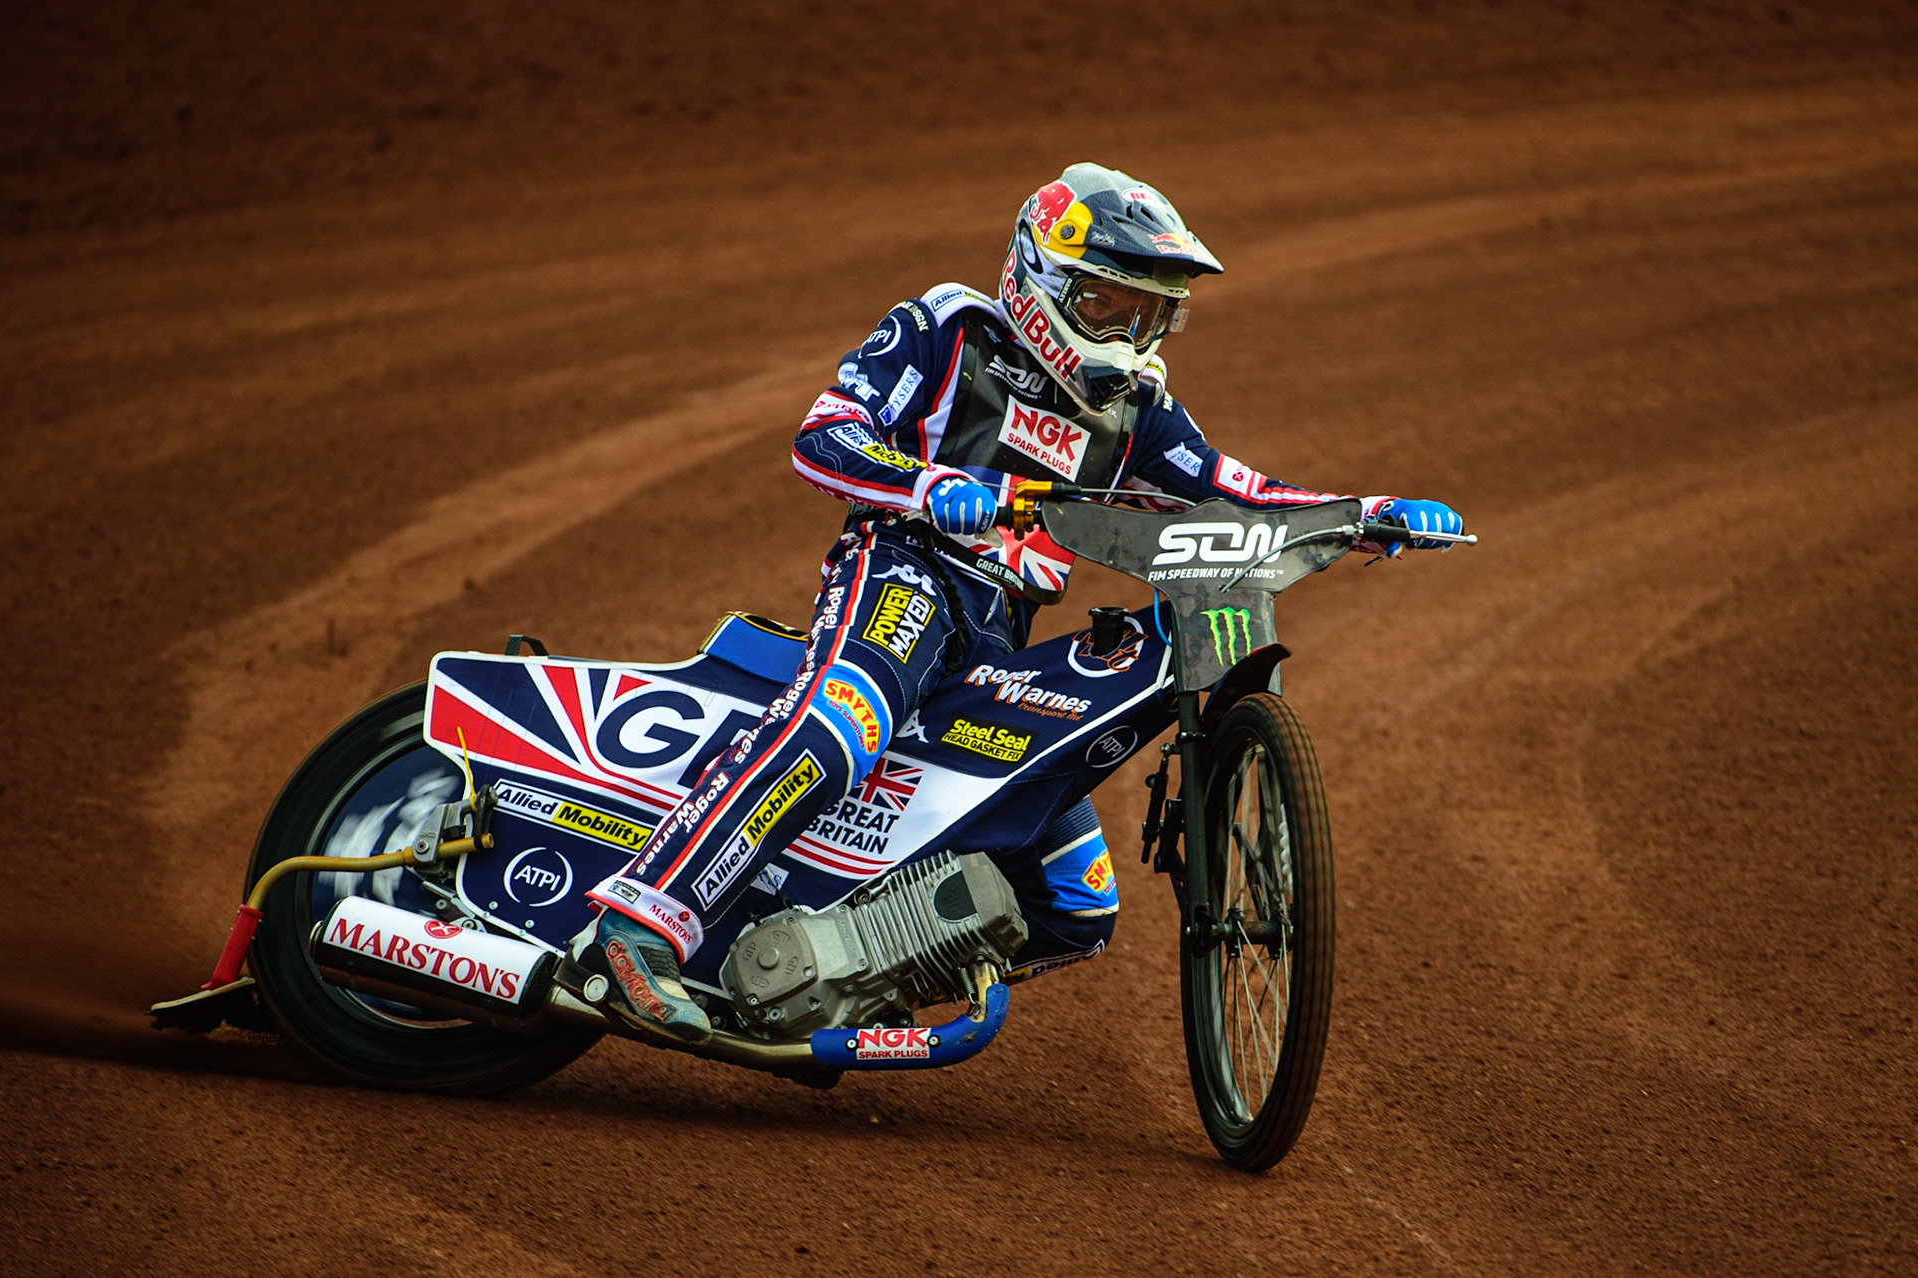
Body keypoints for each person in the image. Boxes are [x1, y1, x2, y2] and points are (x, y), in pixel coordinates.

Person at [575, 163, 1464, 1041]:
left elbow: (1237, 493)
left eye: (1155, 313)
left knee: (1078, 903)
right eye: (1113, 304)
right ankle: (640, 924)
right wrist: (929, 487)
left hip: (1000, 633)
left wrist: (1365, 515)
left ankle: (831, 968)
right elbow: (823, 439)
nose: (1133, 332)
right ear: (1043, 277)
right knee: (847, 713)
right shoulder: (947, 328)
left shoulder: (1137, 412)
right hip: (907, 571)